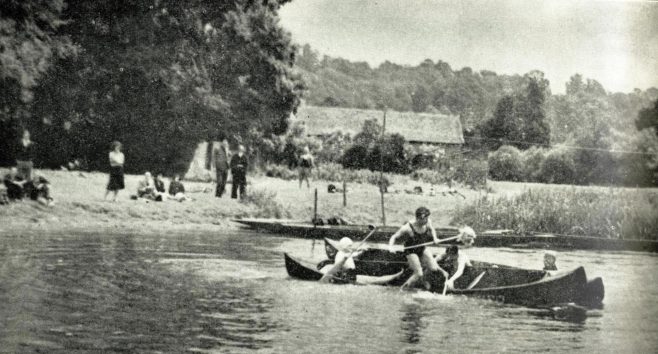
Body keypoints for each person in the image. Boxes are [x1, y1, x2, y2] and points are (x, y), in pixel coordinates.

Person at [388, 207, 449, 290]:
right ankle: (403, 290)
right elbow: (393, 237)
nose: (427, 220)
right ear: (418, 218)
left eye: (427, 218)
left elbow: (432, 229)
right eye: (424, 219)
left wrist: (435, 238)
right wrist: (390, 247)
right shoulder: (407, 228)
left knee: (434, 268)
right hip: (411, 251)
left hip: (422, 248)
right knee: (418, 273)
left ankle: (423, 282)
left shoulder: (428, 221)